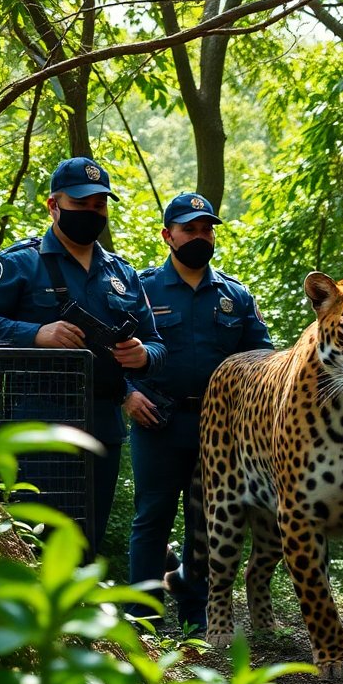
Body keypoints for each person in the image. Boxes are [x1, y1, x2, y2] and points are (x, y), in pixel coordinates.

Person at [0, 156, 165, 544]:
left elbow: (156, 344)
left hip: (101, 430)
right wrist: (36, 333)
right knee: (31, 546)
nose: (92, 212)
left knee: (85, 544)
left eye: (99, 205)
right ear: (54, 206)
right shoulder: (22, 262)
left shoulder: (122, 274)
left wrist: (144, 355)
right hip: (35, 427)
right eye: (80, 204)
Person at [124, 192, 273, 629]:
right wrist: (127, 394)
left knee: (208, 523)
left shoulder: (235, 295)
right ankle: (143, 617)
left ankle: (197, 615)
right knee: (152, 516)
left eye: (206, 228)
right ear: (168, 235)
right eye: (190, 229)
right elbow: (114, 350)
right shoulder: (141, 289)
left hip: (221, 430)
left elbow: (261, 358)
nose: (200, 236)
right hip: (158, 421)